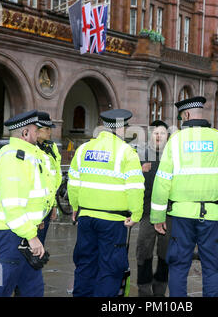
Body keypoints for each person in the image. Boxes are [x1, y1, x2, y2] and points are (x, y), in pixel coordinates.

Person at [150, 97, 218, 297]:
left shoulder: (176, 141)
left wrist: (157, 217)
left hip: (181, 216)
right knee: (212, 266)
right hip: (211, 216)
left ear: (187, 115)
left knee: (178, 265)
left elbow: (162, 181)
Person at [68, 108, 145, 297]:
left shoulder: (83, 149)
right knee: (110, 268)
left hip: (86, 217)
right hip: (112, 221)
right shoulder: (127, 152)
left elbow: (73, 182)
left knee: (85, 264)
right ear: (120, 129)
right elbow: (135, 187)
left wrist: (75, 207)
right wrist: (136, 215)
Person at [0, 109, 53, 297]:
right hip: (11, 236)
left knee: (33, 289)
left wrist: (38, 220)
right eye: (36, 130)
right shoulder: (14, 158)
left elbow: (33, 195)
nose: (39, 133)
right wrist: (31, 236)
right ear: (26, 133)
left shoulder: (29, 154)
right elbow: (12, 205)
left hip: (22, 232)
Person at [135, 120, 171, 297]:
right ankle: (144, 292)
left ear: (167, 136)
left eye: (162, 133)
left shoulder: (173, 156)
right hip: (147, 214)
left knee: (165, 256)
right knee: (144, 254)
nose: (158, 136)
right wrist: (139, 170)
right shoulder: (140, 154)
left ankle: (160, 293)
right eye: (155, 132)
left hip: (169, 215)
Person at [36, 111, 62, 245]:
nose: (50, 132)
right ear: (37, 129)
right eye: (47, 129)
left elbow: (55, 178)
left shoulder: (51, 147)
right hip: (33, 208)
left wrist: (54, 205)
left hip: (47, 205)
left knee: (40, 245)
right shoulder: (30, 148)